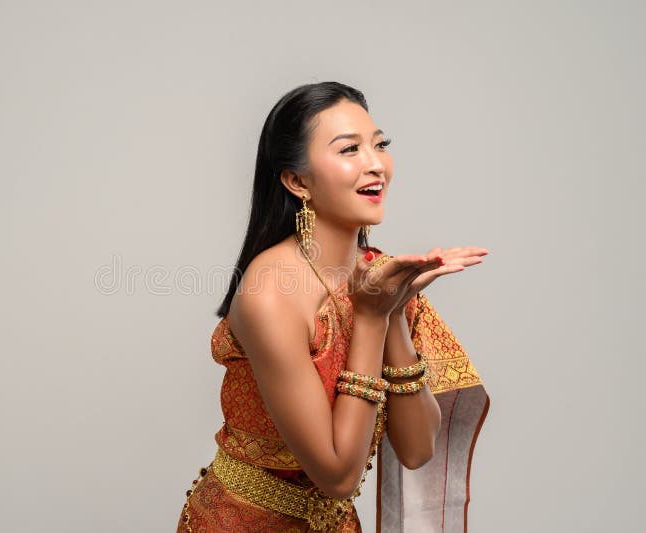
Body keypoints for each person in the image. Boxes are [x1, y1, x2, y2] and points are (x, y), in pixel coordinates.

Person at [177, 81, 490, 532]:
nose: (375, 164)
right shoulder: (270, 292)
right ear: (297, 181)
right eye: (349, 150)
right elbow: (338, 474)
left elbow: (418, 449)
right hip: (240, 523)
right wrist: (371, 318)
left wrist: (395, 313)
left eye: (379, 145)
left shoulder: (378, 276)